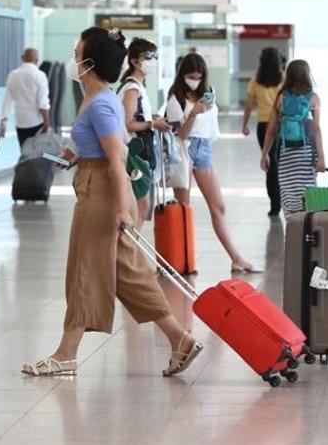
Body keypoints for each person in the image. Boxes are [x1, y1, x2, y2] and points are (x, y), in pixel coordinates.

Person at [21, 27, 203, 378]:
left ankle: (66, 354)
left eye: (77, 53)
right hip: (95, 181)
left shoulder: (103, 102)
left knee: (84, 270)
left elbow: (117, 157)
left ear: (89, 63)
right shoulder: (96, 99)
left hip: (103, 193)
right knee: (129, 275)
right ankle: (180, 339)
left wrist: (123, 207)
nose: (73, 59)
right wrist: (74, 155)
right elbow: (105, 147)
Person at [166, 54, 260, 273]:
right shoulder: (175, 98)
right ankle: (183, 260)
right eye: (190, 76)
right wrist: (193, 114)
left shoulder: (208, 93)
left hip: (203, 150)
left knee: (219, 206)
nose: (195, 80)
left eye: (198, 76)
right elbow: (180, 134)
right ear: (183, 75)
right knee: (183, 209)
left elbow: (210, 128)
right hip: (184, 149)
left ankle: (236, 258)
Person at [261, 60, 327, 217]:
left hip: (286, 153)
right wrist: (321, 158)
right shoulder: (313, 98)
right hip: (306, 153)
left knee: (287, 188)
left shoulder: (281, 98)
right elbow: (317, 129)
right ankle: (307, 224)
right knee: (307, 189)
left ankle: (291, 224)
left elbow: (271, 130)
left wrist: (264, 154)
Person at [118, 38, 170, 224]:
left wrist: (153, 120)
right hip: (135, 154)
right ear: (134, 61)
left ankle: (130, 249)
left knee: (142, 206)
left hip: (140, 152)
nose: (152, 61)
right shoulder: (132, 88)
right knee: (141, 206)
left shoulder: (138, 87)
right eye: (147, 57)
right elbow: (126, 124)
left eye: (154, 56)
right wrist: (153, 124)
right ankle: (129, 249)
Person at [241, 47, 283, 216]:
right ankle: (285, 198)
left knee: (269, 163)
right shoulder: (284, 79)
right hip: (281, 125)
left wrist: (244, 124)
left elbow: (249, 105)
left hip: (264, 125)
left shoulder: (255, 81)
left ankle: (275, 203)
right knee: (281, 162)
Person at [1, 48, 51, 145]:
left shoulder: (13, 75)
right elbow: (43, 103)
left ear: (22, 58)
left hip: (21, 122)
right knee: (38, 153)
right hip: (36, 122)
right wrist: (46, 123)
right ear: (37, 60)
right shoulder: (40, 75)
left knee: (24, 152)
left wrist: (3, 123)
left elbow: (7, 101)